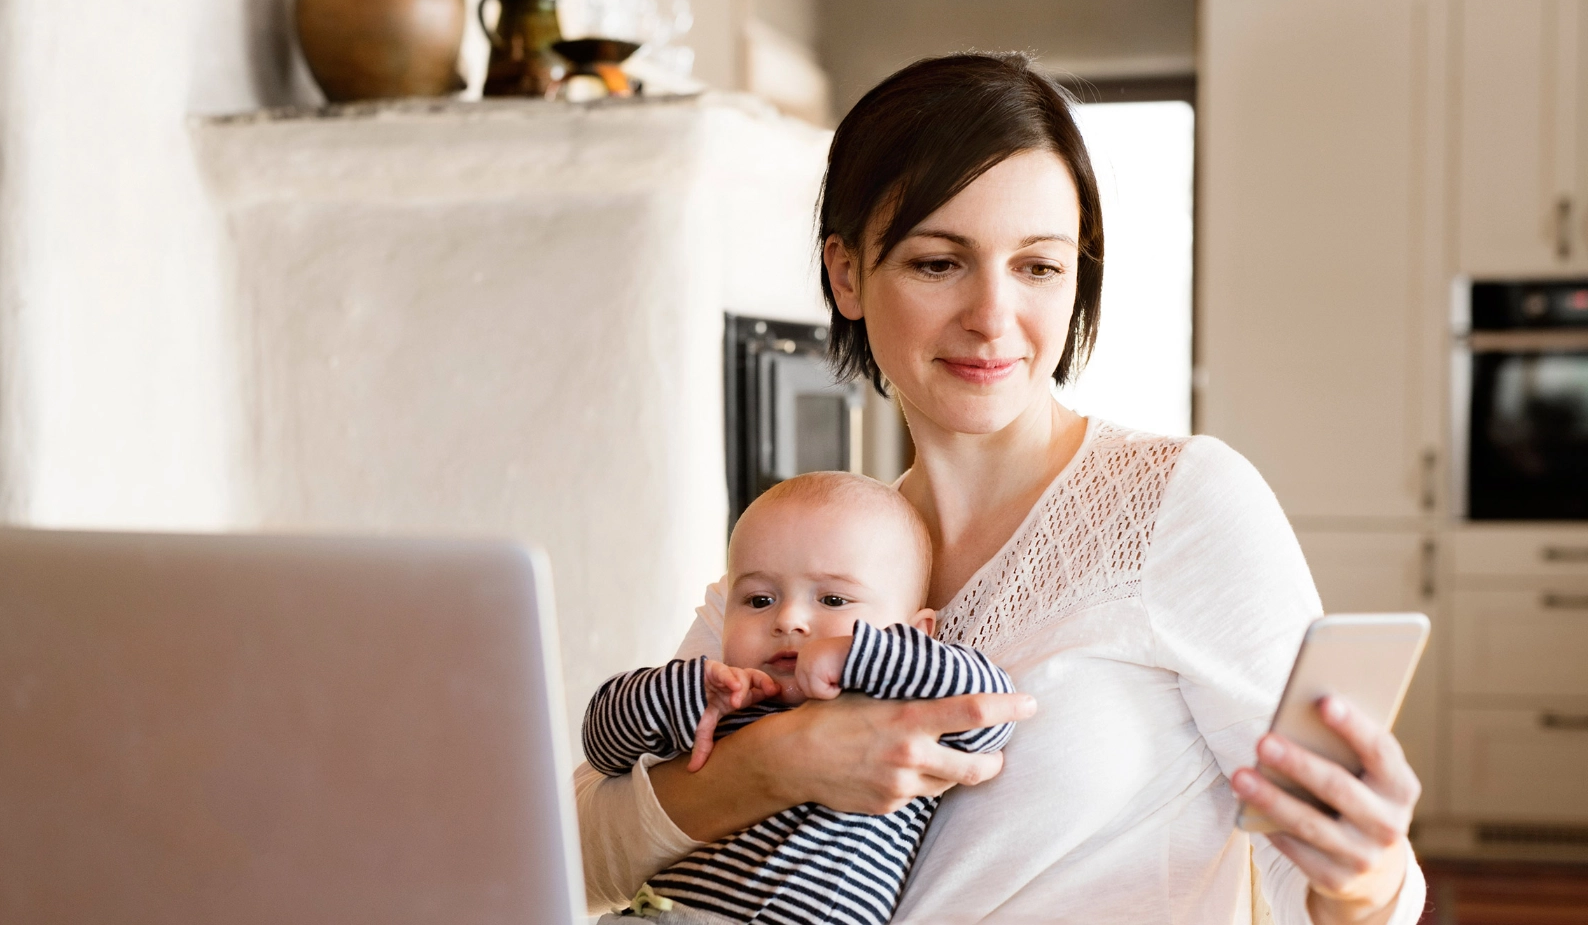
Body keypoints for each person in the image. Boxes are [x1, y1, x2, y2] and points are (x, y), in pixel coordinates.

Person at [573, 51, 1427, 925]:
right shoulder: (804, 554)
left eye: (1039, 266)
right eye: (939, 262)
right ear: (846, 274)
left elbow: (1336, 891)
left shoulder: (1182, 502)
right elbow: (582, 852)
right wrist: (784, 760)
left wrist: (1365, 877)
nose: (992, 316)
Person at [582, 471, 1015, 925]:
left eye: (832, 600)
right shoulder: (724, 700)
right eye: (758, 600)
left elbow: (990, 710)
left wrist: (858, 656)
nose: (789, 619)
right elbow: (602, 742)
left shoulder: (906, 713)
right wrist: (688, 690)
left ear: (915, 634)